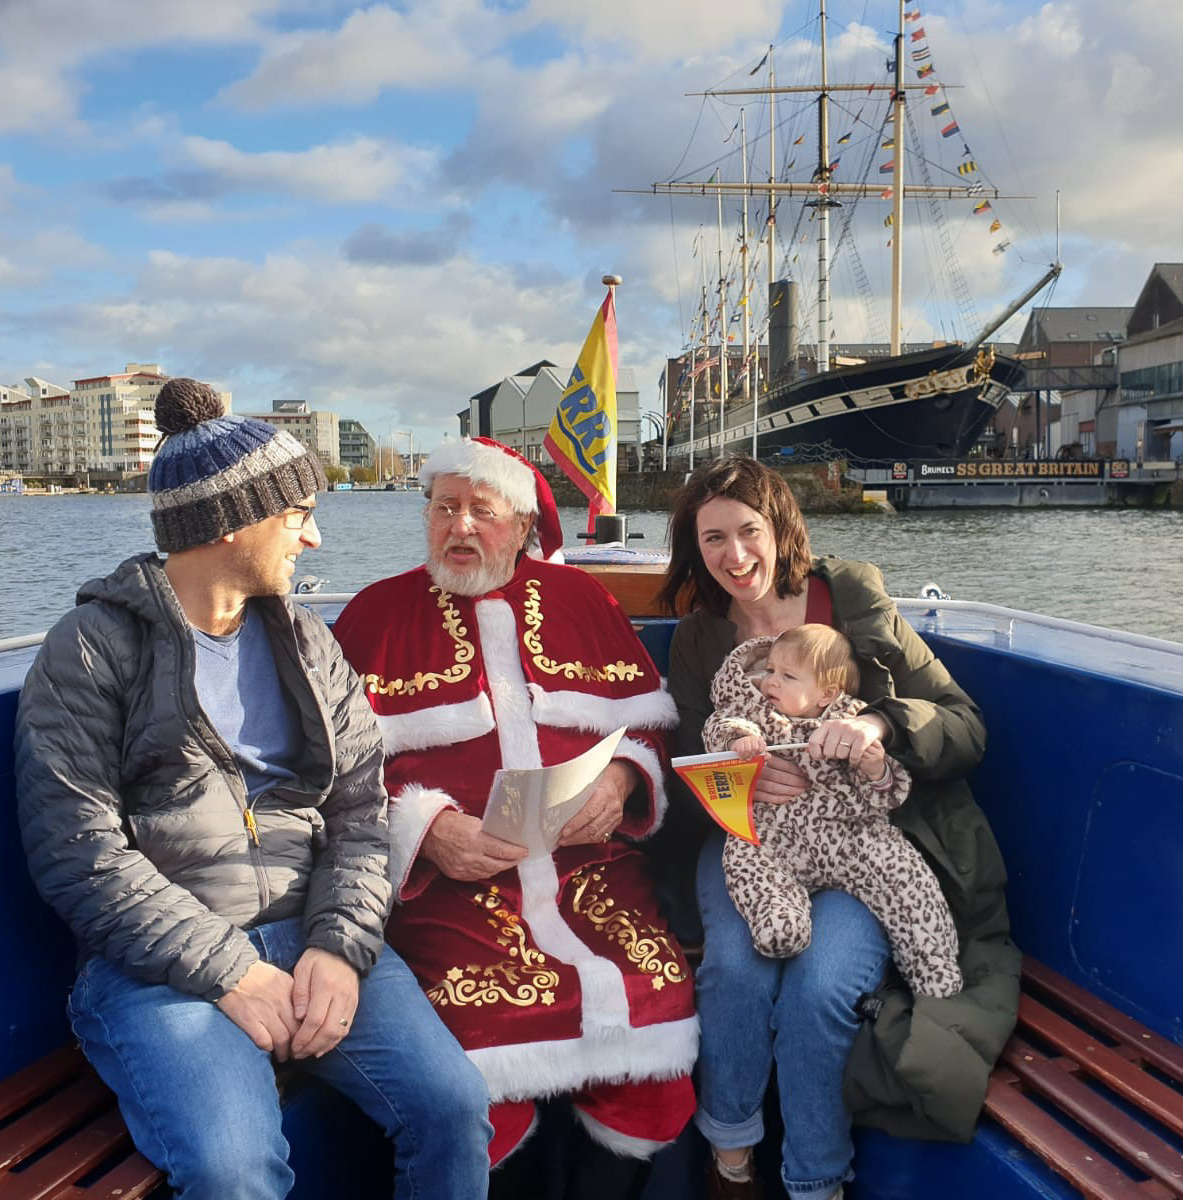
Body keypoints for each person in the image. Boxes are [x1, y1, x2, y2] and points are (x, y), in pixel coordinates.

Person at [13, 379, 492, 1200]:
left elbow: (358, 812)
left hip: (311, 932)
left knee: (453, 1107)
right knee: (233, 1170)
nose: (314, 537)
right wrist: (231, 968)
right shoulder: (91, 651)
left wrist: (341, 947)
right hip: (158, 964)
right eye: (299, 514)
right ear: (233, 521)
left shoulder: (307, 644)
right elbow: (80, 856)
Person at [331, 437, 697, 1200]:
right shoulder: (373, 615)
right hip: (446, 887)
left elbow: (650, 724)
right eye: (444, 509)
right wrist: (427, 830)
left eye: (481, 511)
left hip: (590, 868)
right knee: (479, 1031)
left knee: (652, 995)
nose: (459, 527)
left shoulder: (582, 601)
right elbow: (336, 773)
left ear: (524, 525)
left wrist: (625, 780)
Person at [657, 457, 1020, 1200]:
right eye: (714, 539)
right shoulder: (700, 638)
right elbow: (687, 770)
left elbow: (964, 724)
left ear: (780, 529)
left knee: (820, 989)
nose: (735, 556)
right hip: (752, 840)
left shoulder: (851, 599)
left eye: (749, 532)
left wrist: (881, 726)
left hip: (856, 838)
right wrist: (740, 774)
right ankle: (731, 1159)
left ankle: (815, 1183)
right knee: (735, 971)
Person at [701, 624, 963, 995]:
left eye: (788, 676)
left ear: (826, 693)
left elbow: (885, 796)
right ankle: (779, 918)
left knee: (906, 876)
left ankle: (934, 967)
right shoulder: (752, 711)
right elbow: (720, 724)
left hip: (847, 836)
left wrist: (875, 768)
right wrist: (737, 740)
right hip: (775, 834)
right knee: (745, 859)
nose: (771, 681)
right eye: (770, 670)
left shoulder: (851, 720)